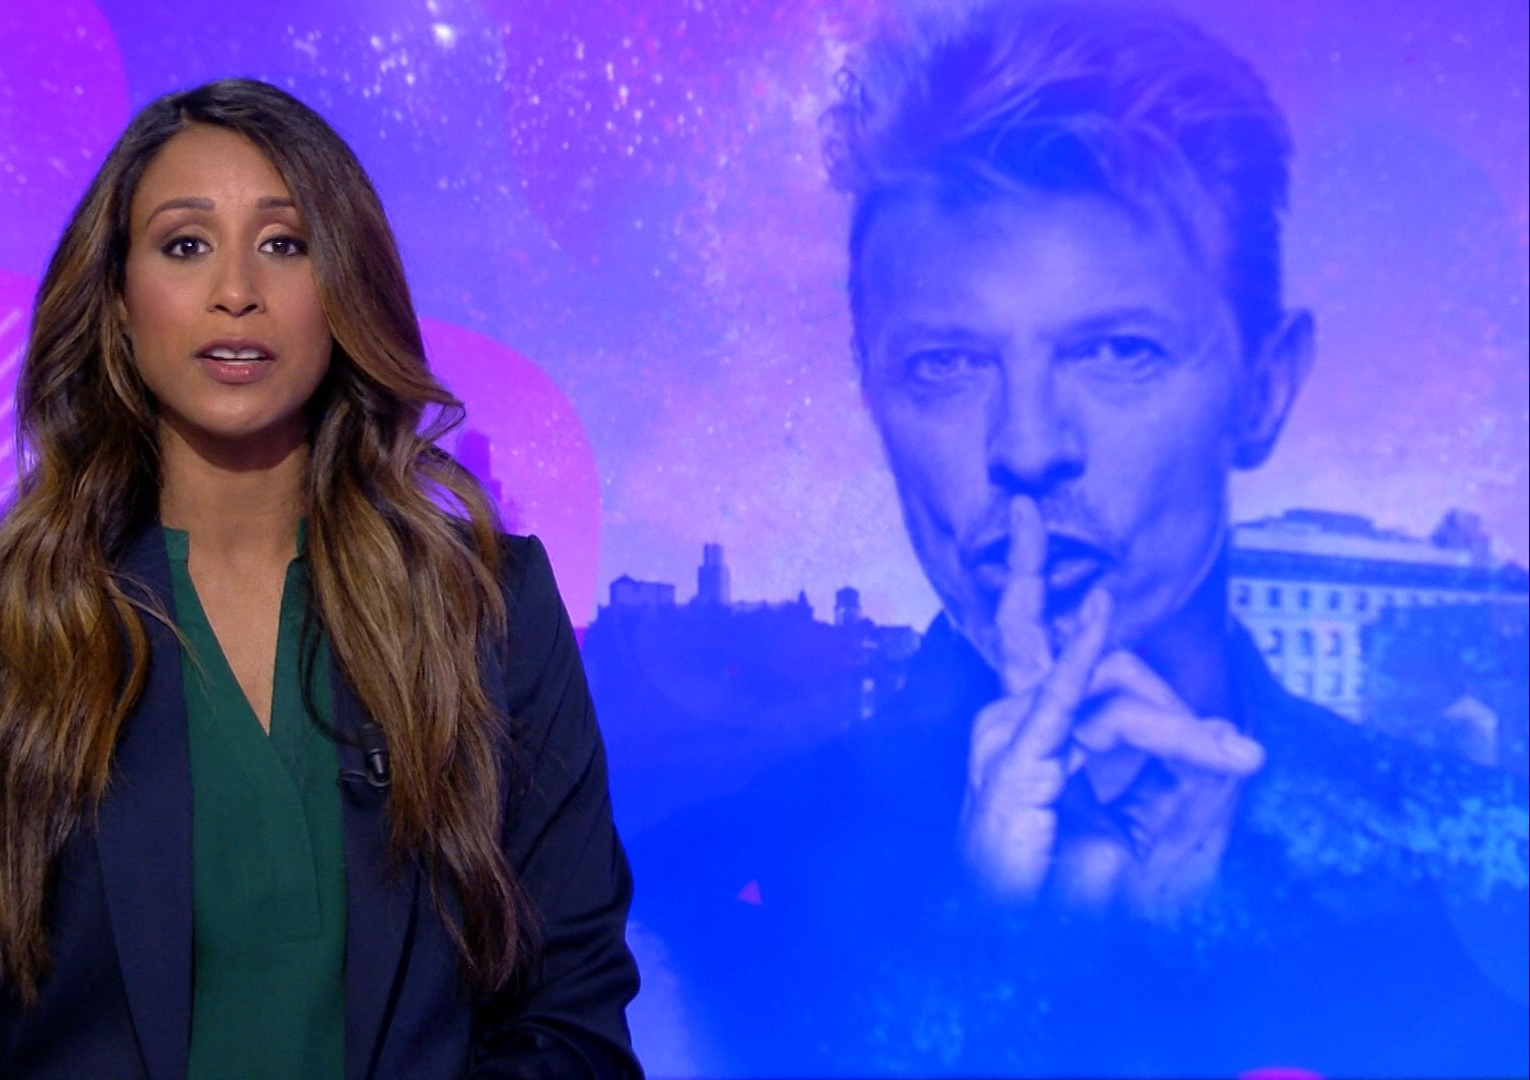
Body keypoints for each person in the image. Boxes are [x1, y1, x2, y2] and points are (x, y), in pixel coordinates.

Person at [627, 3, 1528, 1076]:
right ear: (871, 393)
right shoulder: (689, 917)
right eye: (945, 365)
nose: (1027, 447)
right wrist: (993, 957)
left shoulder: (1476, 864)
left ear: (1265, 387)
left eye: (1118, 352)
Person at [0, 78, 641, 1079]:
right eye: (185, 245)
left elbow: (571, 1024)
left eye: (285, 244)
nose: (237, 290)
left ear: (343, 291)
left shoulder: (488, 611)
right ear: (118, 302)